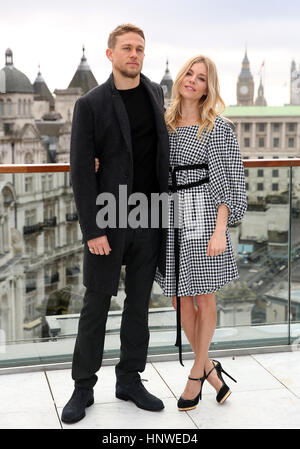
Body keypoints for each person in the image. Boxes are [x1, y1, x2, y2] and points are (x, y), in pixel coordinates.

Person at [61, 24, 169, 424]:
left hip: (150, 214)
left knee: (138, 305)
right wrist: (92, 230)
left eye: (140, 48)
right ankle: (83, 387)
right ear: (110, 54)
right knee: (97, 304)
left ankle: (129, 380)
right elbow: (80, 172)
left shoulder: (156, 92)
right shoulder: (89, 104)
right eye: (127, 48)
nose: (134, 54)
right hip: (109, 216)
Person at [154, 55, 247, 411]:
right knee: (179, 299)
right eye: (189, 74)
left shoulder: (219, 127)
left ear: (209, 87)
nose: (192, 80)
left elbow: (231, 178)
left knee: (204, 298)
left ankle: (196, 374)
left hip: (205, 213)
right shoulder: (164, 121)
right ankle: (210, 368)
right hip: (170, 213)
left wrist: (220, 229)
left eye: (201, 78)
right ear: (180, 78)